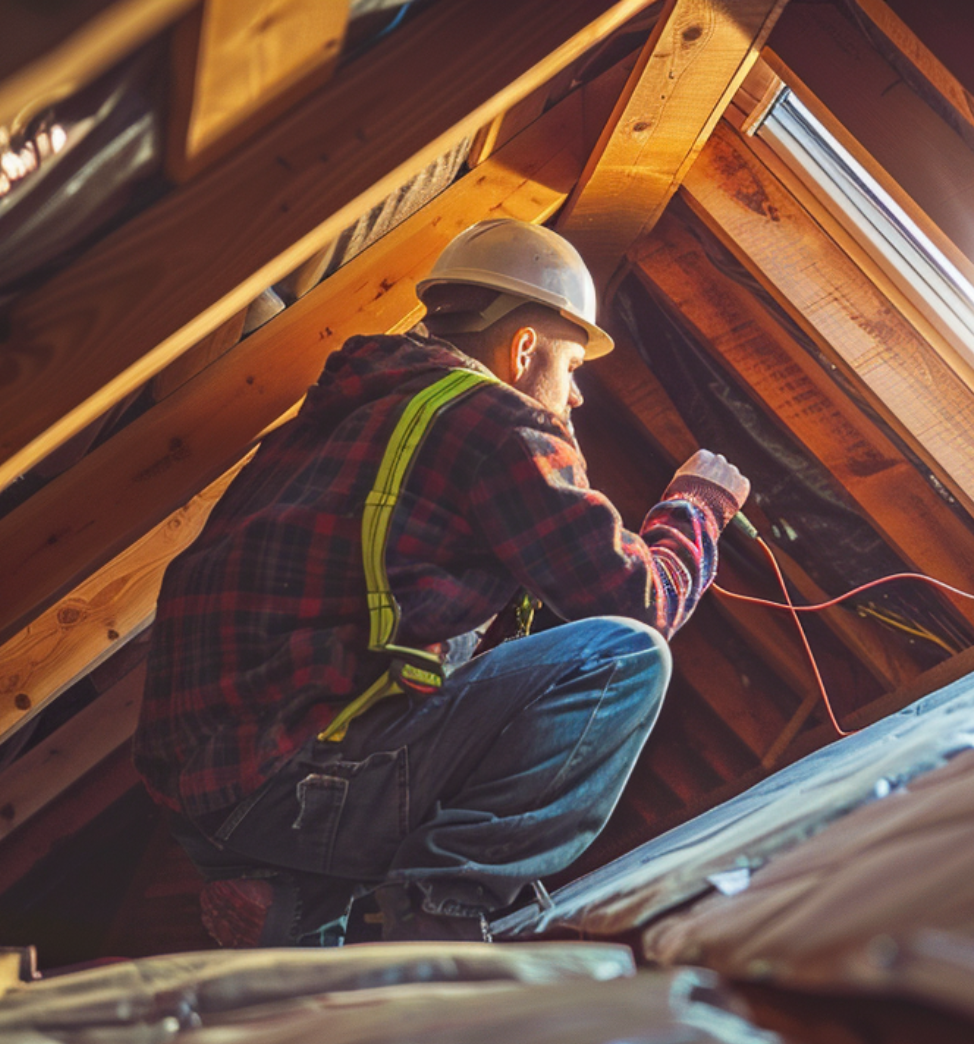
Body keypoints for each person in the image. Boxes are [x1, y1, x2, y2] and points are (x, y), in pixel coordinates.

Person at [132, 219, 750, 947]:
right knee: (620, 657)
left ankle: (304, 906)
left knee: (443, 694)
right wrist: (697, 508)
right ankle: (440, 910)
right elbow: (637, 601)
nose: (577, 397)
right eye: (574, 366)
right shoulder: (496, 421)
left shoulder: (338, 415)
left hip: (205, 804)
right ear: (523, 349)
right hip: (300, 784)